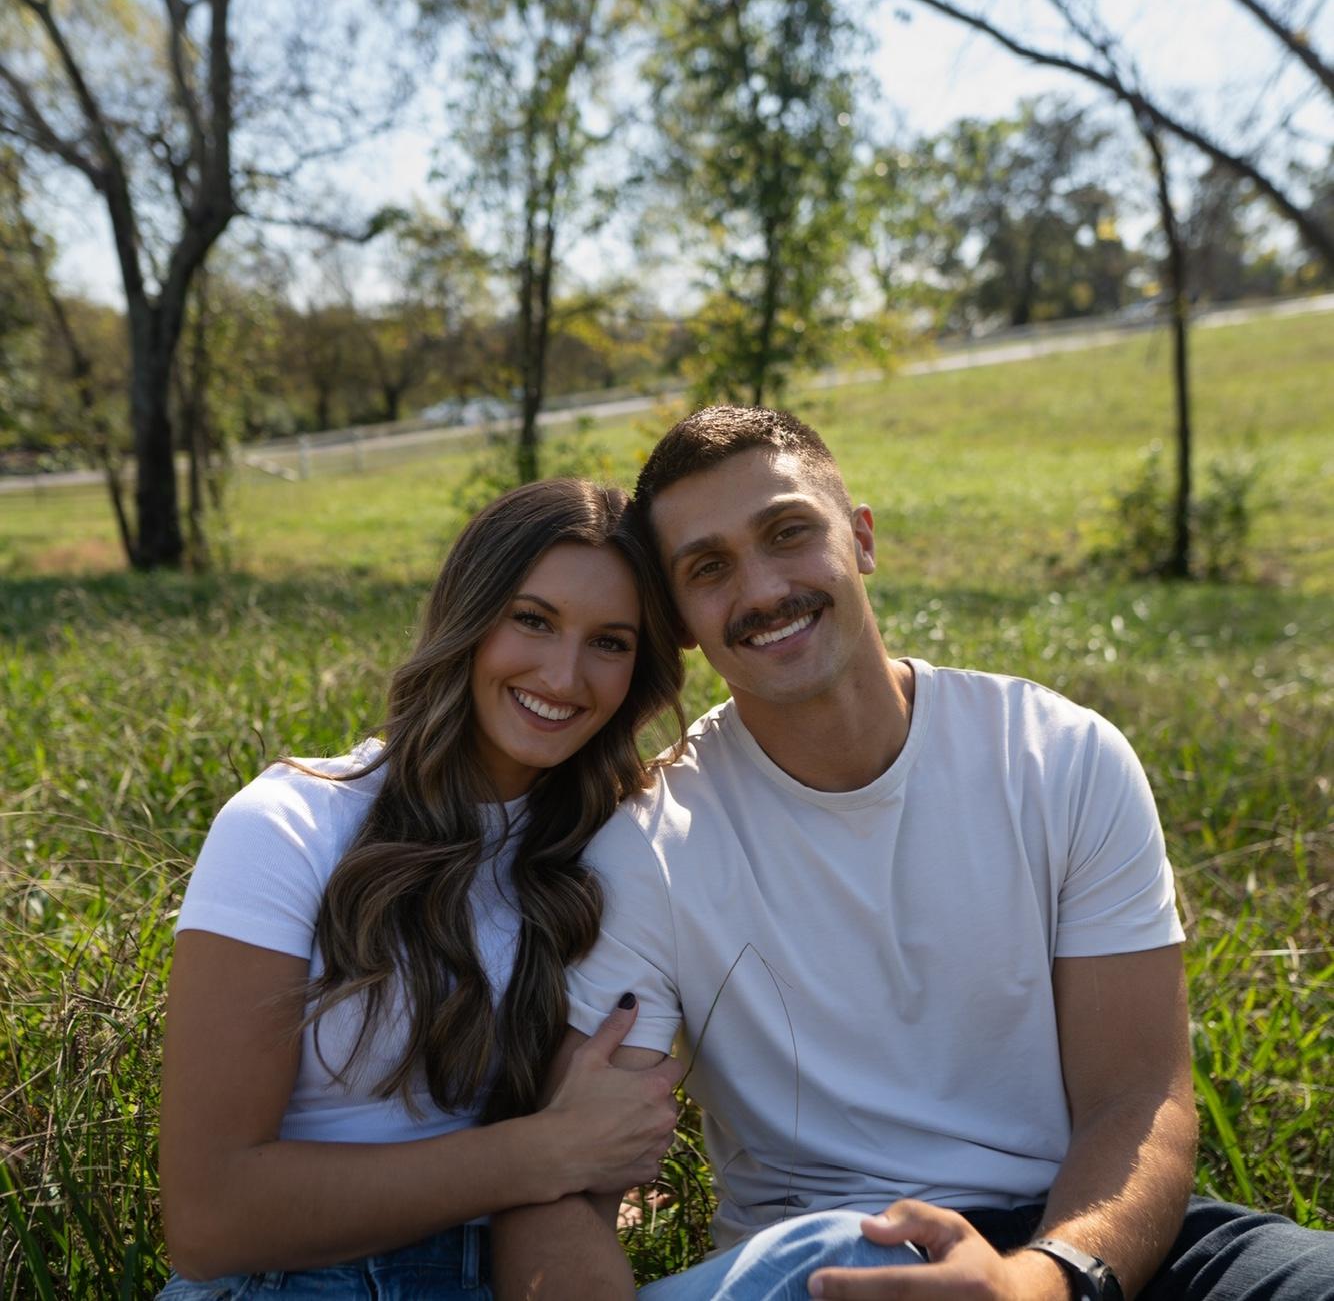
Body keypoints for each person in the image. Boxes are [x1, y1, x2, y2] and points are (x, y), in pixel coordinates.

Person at [494, 407, 1334, 1301]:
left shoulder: (1060, 757)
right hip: (843, 1259)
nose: (764, 589)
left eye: (788, 533)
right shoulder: (650, 847)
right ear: (681, 622)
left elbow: (1139, 1102)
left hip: (1087, 1239)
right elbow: (559, 1192)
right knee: (854, 1257)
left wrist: (1040, 1283)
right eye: (709, 568)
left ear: (860, 538)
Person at [157, 478, 688, 1301]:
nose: (563, 674)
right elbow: (208, 1219)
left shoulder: (614, 853)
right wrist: (541, 1154)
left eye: (610, 643)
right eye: (532, 620)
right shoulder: (290, 825)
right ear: (468, 616)